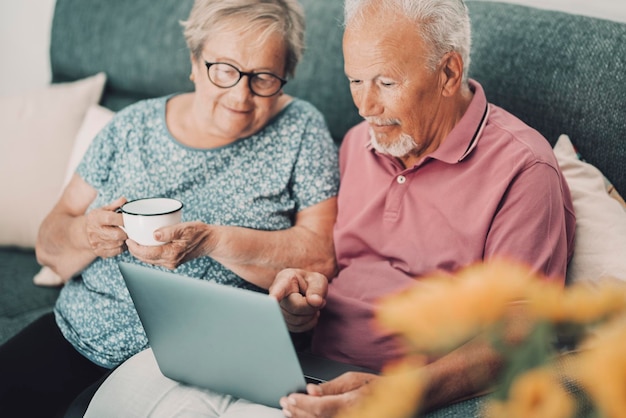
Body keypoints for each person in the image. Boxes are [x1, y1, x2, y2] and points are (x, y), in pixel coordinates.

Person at [84, 0, 576, 416]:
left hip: (400, 386)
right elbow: (338, 268)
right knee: (135, 390)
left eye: (385, 82)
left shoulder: (524, 171)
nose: (364, 106)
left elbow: (521, 331)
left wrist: (401, 393)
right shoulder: (361, 143)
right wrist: (303, 306)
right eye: (354, 81)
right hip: (298, 366)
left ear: (448, 72)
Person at [0, 0, 340, 416]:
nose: (240, 95)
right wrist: (86, 234)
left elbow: (319, 256)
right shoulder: (130, 126)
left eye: (263, 78)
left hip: (207, 362)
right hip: (80, 331)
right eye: (224, 70)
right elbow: (48, 242)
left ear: (286, 76)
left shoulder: (301, 130)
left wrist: (214, 241)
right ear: (195, 63)